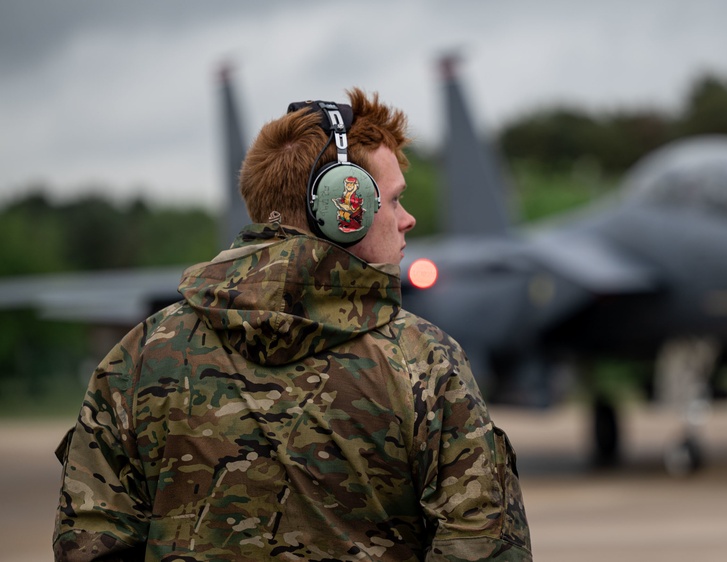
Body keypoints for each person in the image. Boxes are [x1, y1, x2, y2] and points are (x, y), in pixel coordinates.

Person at [53, 88, 532, 561]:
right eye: (393, 201)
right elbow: (481, 546)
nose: (407, 220)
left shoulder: (140, 357)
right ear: (345, 209)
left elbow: (89, 543)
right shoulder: (424, 361)